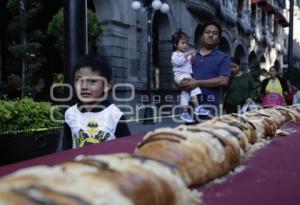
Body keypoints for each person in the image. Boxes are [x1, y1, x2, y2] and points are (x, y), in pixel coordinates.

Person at [63, 53, 131, 150]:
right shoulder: (70, 114)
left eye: (92, 81)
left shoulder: (115, 116)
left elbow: (127, 149)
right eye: (78, 80)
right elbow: (65, 151)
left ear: (107, 85)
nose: (84, 87)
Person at [179, 21, 231, 117]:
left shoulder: (223, 57)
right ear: (201, 37)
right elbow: (180, 74)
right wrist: (181, 82)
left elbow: (224, 80)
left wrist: (197, 82)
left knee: (208, 132)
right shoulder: (191, 55)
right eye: (207, 32)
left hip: (210, 108)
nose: (211, 35)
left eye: (215, 33)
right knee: (188, 131)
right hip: (190, 107)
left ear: (219, 39)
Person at [171, 30, 210, 123]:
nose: (185, 45)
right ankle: (197, 108)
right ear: (176, 44)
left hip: (187, 75)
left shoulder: (186, 55)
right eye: (182, 43)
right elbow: (178, 62)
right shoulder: (175, 54)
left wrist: (192, 56)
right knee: (194, 87)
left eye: (187, 43)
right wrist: (187, 54)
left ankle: (185, 112)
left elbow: (191, 63)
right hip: (179, 75)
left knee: (186, 93)